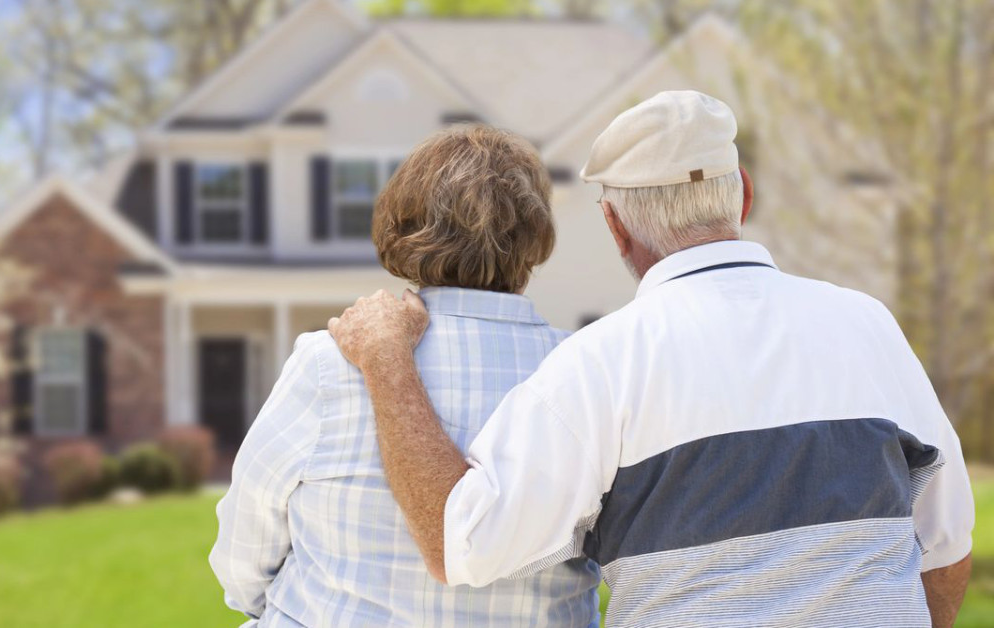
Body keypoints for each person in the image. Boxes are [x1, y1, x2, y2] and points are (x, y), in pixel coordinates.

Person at [327, 91, 975, 627]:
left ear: (615, 227)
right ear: (742, 194)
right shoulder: (866, 325)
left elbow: (456, 543)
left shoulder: (602, 364)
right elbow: (944, 548)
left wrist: (388, 360)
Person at [210, 125, 601, 627]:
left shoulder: (331, 361)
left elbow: (247, 537)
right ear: (535, 238)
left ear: (403, 227)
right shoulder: (585, 371)